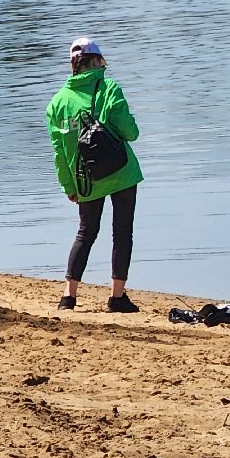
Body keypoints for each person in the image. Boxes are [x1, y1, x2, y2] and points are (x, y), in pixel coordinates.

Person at [46, 36, 144, 313]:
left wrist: (68, 186)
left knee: (85, 232)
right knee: (122, 233)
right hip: (121, 172)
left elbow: (59, 153)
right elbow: (130, 133)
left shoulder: (57, 103)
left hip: (85, 179)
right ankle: (117, 297)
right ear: (97, 60)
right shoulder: (109, 88)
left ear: (73, 64)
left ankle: (68, 297)